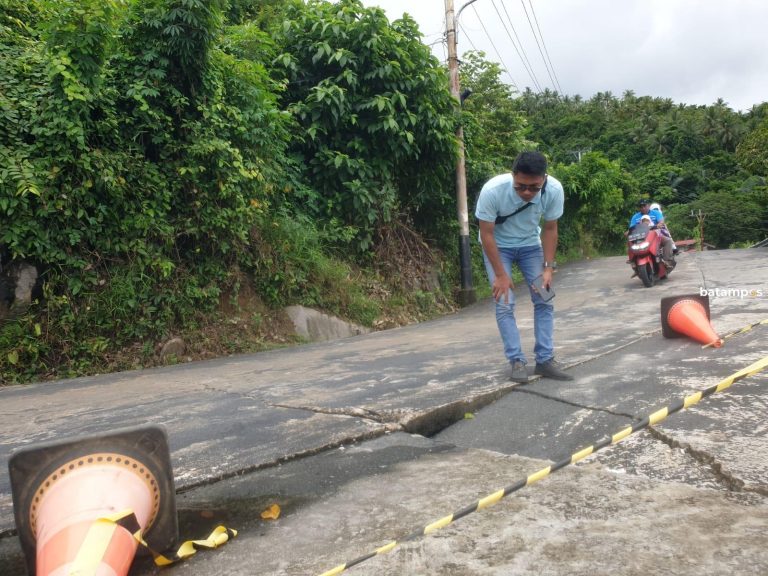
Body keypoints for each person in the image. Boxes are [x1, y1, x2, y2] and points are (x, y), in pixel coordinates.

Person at [475, 151, 573, 383]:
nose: (527, 192)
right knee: (504, 303)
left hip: (531, 246)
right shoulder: (492, 190)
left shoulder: (554, 190)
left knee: (545, 298)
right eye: (520, 186)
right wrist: (500, 274)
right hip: (498, 249)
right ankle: (517, 361)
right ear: (513, 176)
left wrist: (548, 267)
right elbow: (486, 233)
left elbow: (550, 228)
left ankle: (545, 360)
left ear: (544, 179)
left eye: (534, 187)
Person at [628, 199, 675, 265]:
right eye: (641, 207)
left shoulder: (656, 213)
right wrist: (628, 232)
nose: (643, 208)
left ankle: (667, 260)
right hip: (640, 238)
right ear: (638, 208)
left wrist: (659, 224)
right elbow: (631, 228)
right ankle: (633, 261)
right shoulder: (635, 217)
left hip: (656, 236)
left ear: (648, 205)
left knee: (668, 241)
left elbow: (661, 222)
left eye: (644, 206)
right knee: (630, 242)